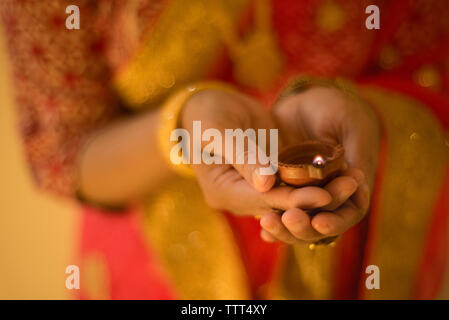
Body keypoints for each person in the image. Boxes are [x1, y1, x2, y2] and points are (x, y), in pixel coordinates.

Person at [1, 0, 448, 299]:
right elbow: (63, 149)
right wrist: (179, 130)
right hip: (155, 268)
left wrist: (364, 114)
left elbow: (433, 64)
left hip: (366, 254)